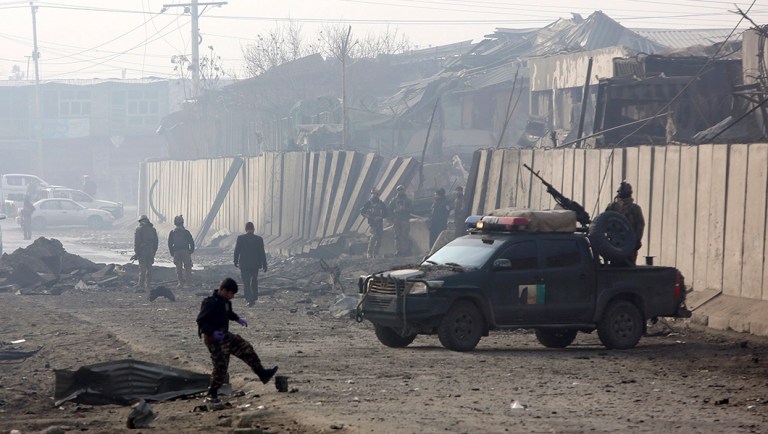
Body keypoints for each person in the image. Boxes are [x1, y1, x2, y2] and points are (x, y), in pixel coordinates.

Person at [196, 277, 278, 404]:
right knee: (221, 366)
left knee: (246, 348)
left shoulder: (225, 302)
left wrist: (237, 319)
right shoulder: (210, 303)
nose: (232, 297)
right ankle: (212, 392)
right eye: (231, 293)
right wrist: (211, 332)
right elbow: (201, 321)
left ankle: (262, 374)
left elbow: (228, 313)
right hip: (214, 339)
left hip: (225, 335)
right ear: (223, 290)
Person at [605, 181, 645, 266]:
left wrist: (636, 240)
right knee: (615, 266)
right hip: (615, 243)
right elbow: (604, 222)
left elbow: (640, 226)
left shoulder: (634, 209)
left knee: (628, 267)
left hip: (629, 243)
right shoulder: (612, 207)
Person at [233, 222, 268, 307]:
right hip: (255, 264)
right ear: (254, 229)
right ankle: (255, 296)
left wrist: (235, 261)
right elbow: (262, 253)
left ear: (245, 229)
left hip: (244, 264)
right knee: (254, 280)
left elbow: (236, 251)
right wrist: (264, 264)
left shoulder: (240, 238)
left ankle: (249, 299)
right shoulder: (259, 239)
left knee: (246, 283)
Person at [359, 189, 388, 258]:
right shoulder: (368, 203)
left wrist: (380, 217)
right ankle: (369, 253)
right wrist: (368, 216)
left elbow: (386, 213)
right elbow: (362, 212)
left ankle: (376, 253)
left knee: (379, 238)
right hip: (372, 223)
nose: (375, 195)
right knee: (373, 237)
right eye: (373, 194)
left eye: (376, 194)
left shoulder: (381, 203)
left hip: (379, 222)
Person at [168, 215, 195, 288]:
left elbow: (170, 243)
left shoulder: (172, 232)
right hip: (185, 251)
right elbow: (191, 242)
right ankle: (188, 283)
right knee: (188, 267)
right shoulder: (186, 232)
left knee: (178, 268)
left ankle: (180, 283)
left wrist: (172, 252)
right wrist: (191, 251)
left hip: (176, 252)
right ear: (182, 222)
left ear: (175, 223)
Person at [133, 215, 158, 289]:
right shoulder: (153, 229)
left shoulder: (139, 229)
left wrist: (136, 253)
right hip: (151, 250)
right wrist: (153, 252)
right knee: (149, 267)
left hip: (142, 251)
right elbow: (156, 242)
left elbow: (137, 242)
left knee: (142, 268)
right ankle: (148, 284)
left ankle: (141, 284)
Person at [388, 185, 413, 256]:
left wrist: (405, 209)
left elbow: (412, 209)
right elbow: (389, 209)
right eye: (399, 190)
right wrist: (392, 218)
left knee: (405, 235)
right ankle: (398, 250)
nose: (400, 191)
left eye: (401, 190)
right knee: (397, 235)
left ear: (404, 190)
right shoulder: (394, 200)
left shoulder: (408, 200)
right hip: (397, 219)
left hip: (405, 219)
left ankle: (406, 250)